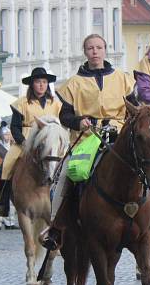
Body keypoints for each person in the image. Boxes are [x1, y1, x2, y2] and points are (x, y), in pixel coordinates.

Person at [40, 34, 140, 250]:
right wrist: (78, 121)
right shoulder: (73, 84)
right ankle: (55, 226)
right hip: (87, 138)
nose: (95, 52)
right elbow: (64, 116)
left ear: (105, 50)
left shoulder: (123, 79)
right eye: (90, 48)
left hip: (120, 135)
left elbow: (135, 108)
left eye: (99, 47)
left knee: (149, 166)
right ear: (85, 52)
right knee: (65, 173)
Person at [0, 67, 62, 217]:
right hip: (26, 138)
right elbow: (15, 126)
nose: (41, 85)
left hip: (49, 140)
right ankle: (3, 204)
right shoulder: (21, 103)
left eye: (44, 82)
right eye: (38, 82)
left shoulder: (56, 104)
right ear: (32, 84)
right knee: (7, 164)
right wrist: (23, 142)